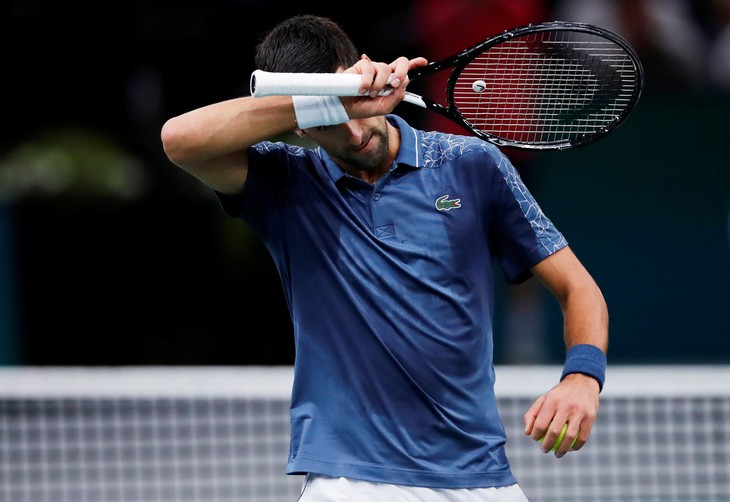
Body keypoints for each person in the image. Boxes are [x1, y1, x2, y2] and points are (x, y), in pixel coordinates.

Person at [160, 14, 609, 502]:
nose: (354, 134)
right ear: (304, 127)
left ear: (364, 68)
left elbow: (578, 287)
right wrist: (323, 99)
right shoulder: (284, 182)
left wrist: (582, 378)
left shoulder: (472, 165)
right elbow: (179, 140)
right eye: (331, 119)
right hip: (348, 482)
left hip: (478, 475)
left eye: (357, 109)